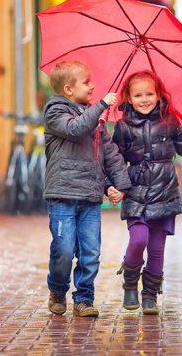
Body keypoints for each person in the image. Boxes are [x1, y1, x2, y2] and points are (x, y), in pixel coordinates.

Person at [107, 70, 182, 315]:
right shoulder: (123, 126)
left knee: (157, 247)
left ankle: (150, 295)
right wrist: (113, 185)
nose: (144, 99)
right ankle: (131, 284)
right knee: (138, 239)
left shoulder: (170, 120)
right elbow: (114, 160)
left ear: (158, 95)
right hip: (136, 191)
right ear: (129, 98)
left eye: (149, 94)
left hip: (165, 191)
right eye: (138, 95)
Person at [43, 60, 132, 317]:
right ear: (69, 90)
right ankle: (58, 291)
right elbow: (75, 129)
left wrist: (119, 185)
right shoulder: (55, 111)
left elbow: (110, 155)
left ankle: (84, 299)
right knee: (63, 248)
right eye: (87, 82)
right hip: (63, 195)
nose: (92, 86)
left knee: (90, 251)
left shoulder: (96, 119)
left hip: (90, 196)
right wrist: (102, 105)